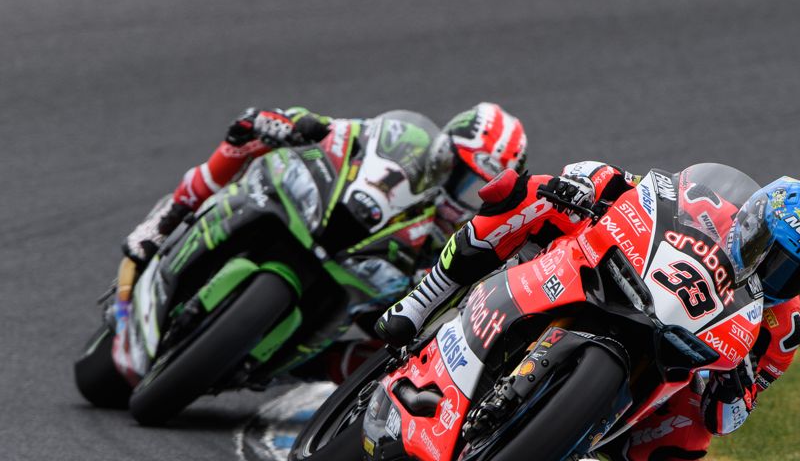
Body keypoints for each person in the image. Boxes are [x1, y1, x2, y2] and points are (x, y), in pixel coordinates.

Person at [375, 160, 800, 461]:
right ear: (753, 220)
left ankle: (568, 435)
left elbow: (729, 418)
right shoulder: (709, 203)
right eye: (773, 254)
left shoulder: (782, 328)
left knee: (684, 447)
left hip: (670, 351)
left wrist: (737, 384)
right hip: (618, 271)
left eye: (794, 271)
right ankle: (419, 304)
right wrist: (583, 184)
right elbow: (626, 183)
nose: (776, 273)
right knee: (525, 194)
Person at [120, 102, 527, 382]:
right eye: (458, 171)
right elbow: (347, 133)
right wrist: (293, 125)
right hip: (325, 217)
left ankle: (295, 368)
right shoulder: (407, 144)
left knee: (401, 349)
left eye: (477, 189)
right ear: (442, 151)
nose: (460, 190)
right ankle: (166, 219)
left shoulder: (463, 232)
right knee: (246, 133)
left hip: (371, 280)